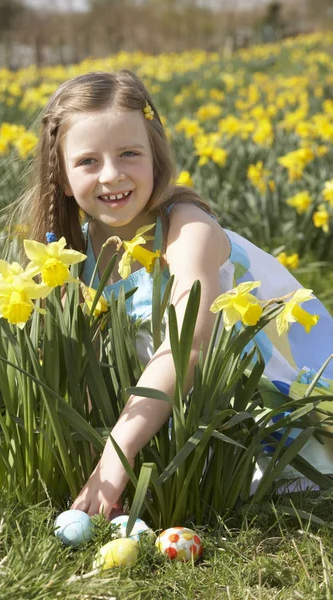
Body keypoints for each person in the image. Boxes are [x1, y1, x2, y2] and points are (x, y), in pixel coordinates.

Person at [20, 70, 333, 517]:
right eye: (88, 161)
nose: (111, 175)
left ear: (155, 157)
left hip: (254, 412)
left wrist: (116, 454)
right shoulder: (70, 255)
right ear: (64, 178)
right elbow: (85, 368)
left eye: (129, 153)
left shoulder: (187, 230)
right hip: (173, 417)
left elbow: (189, 348)